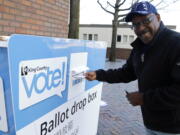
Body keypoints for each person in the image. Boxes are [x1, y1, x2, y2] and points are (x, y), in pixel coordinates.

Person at [85, 1, 180, 135]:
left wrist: (144, 99)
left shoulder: (176, 43)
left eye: (146, 20)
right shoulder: (139, 47)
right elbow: (127, 72)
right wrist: (98, 75)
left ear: (158, 18)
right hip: (151, 123)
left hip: (174, 128)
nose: (140, 28)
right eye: (135, 24)